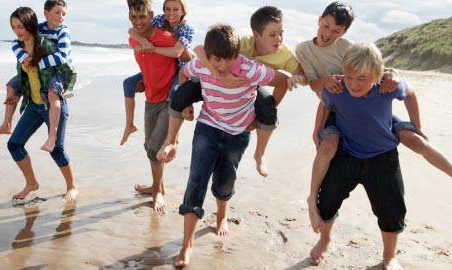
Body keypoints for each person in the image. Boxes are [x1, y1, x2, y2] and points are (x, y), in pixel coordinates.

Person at [296, 1, 452, 234]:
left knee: (416, 140)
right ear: (319, 20)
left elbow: (374, 70)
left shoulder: (349, 48)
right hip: (335, 108)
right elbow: (313, 84)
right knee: (327, 146)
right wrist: (325, 84)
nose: (328, 33)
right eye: (326, 26)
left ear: (344, 32)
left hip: (368, 107)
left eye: (336, 31)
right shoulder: (303, 49)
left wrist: (395, 76)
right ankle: (312, 200)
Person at [156, 23, 288, 267]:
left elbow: (282, 82)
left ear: (236, 55)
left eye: (228, 59)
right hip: (208, 127)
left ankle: (222, 216)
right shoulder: (202, 65)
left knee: (225, 181)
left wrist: (261, 117)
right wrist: (187, 105)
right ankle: (187, 245)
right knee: (196, 180)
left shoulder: (249, 68)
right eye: (217, 59)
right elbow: (184, 76)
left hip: (238, 133)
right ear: (209, 54)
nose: (223, 66)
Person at [309, 42, 428, 270]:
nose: (353, 84)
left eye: (361, 79)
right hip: (347, 152)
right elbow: (325, 103)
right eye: (350, 77)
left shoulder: (387, 86)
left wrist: (416, 125)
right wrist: (317, 131)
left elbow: (410, 93)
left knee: (391, 209)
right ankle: (325, 239)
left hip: (383, 156)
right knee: (327, 201)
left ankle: (389, 256)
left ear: (376, 75)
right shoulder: (338, 87)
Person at [170, 6, 306, 177]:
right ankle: (172, 140)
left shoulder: (284, 54)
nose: (279, 39)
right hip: (217, 77)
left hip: (250, 85)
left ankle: (260, 154)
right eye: (273, 34)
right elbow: (201, 49)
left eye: (281, 33)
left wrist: (296, 79)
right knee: (184, 90)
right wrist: (219, 77)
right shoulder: (243, 43)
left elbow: (302, 76)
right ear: (257, 35)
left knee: (268, 107)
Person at [5, 6, 78, 202]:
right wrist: (18, 92)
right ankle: (31, 183)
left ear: (30, 26)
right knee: (14, 144)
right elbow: (25, 76)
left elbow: (70, 69)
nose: (17, 31)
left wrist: (68, 92)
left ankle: (71, 186)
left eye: (21, 27)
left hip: (53, 104)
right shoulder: (20, 50)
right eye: (14, 27)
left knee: (57, 150)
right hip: (33, 105)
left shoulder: (47, 45)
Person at [0, 0, 76, 141]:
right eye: (57, 12)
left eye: (64, 14)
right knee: (11, 86)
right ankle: (7, 124)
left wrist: (38, 64)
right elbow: (15, 43)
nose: (61, 16)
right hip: (40, 70)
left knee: (52, 93)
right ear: (46, 14)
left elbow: (61, 57)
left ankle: (52, 134)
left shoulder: (63, 31)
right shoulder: (39, 28)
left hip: (60, 71)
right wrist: (23, 56)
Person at [120, 0, 195, 146]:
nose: (171, 13)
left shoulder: (187, 28)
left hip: (180, 69)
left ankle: (175, 135)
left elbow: (177, 52)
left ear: (182, 11)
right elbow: (132, 30)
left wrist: (151, 48)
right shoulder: (160, 20)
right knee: (128, 84)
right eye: (168, 9)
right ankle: (129, 124)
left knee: (174, 93)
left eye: (175, 9)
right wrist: (143, 40)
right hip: (163, 66)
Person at [126, 0, 177, 212]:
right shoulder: (132, 40)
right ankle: (158, 186)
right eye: (134, 17)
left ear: (151, 15)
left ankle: (157, 193)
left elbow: (188, 60)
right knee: (149, 146)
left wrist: (183, 101)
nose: (138, 22)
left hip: (168, 101)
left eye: (142, 17)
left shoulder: (165, 38)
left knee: (155, 148)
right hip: (151, 99)